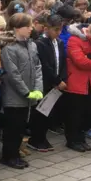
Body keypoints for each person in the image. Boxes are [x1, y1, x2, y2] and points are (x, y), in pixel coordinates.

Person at [0, 13, 43, 169]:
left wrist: (37, 88)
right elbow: (13, 74)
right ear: (17, 28)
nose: (31, 28)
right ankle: (8, 155)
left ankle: (15, 153)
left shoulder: (32, 45)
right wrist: (26, 92)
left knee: (21, 127)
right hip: (14, 95)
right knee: (13, 127)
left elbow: (37, 67)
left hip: (29, 94)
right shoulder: (9, 48)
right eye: (28, 26)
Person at [28, 14, 67, 152]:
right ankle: (36, 139)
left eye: (60, 29)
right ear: (46, 28)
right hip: (45, 82)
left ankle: (42, 137)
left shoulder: (60, 43)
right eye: (55, 29)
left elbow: (62, 62)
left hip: (56, 83)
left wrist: (62, 79)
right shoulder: (40, 44)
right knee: (40, 112)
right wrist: (56, 80)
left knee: (49, 112)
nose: (58, 32)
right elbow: (44, 65)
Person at [64, 20, 91, 152]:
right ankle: (72, 139)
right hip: (76, 81)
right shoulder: (74, 40)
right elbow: (80, 61)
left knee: (85, 113)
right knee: (74, 114)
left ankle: (80, 138)